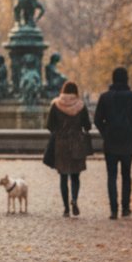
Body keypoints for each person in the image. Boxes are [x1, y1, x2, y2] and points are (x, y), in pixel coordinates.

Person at [93, 66, 132, 219]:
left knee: (111, 175)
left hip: (110, 141)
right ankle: (125, 207)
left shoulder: (105, 97)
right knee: (126, 175)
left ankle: (113, 210)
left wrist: (105, 132)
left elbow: (97, 120)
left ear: (113, 79)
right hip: (127, 141)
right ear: (126, 79)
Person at [46, 79, 92, 217]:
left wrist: (59, 131)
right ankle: (74, 199)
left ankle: (66, 208)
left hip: (61, 143)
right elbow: (88, 125)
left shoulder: (56, 105)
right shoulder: (80, 105)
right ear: (75, 92)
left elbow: (49, 125)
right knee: (76, 176)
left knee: (63, 177)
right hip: (76, 142)